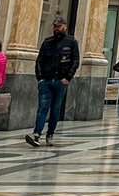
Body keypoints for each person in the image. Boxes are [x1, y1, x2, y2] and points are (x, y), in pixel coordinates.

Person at [26, 16, 79, 147]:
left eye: (59, 26)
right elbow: (39, 60)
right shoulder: (47, 42)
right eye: (55, 26)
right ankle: (36, 134)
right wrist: (40, 78)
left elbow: (75, 61)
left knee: (55, 109)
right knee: (43, 107)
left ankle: (50, 134)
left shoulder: (71, 42)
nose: (56, 29)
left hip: (61, 81)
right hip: (46, 81)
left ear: (64, 26)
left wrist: (68, 78)